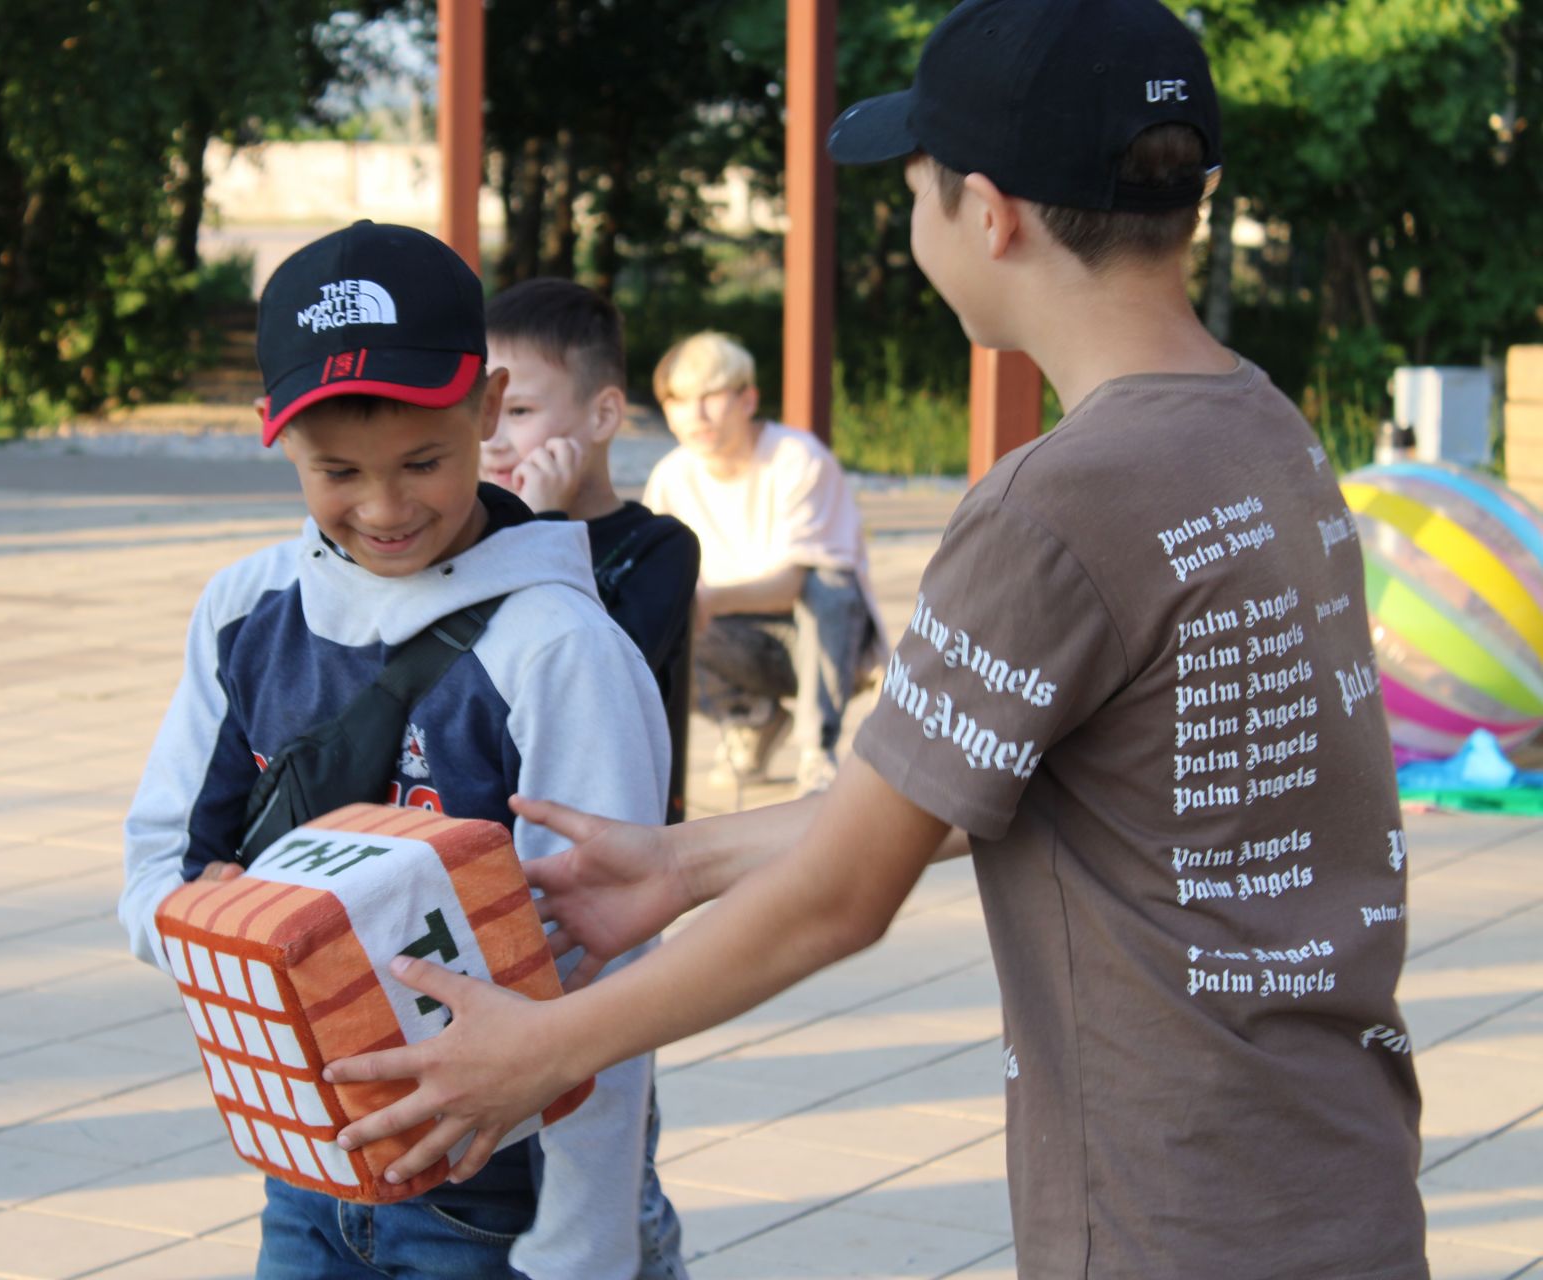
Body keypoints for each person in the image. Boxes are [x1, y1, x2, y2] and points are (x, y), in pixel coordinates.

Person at [321, 5, 1431, 1277]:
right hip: (1332, 1169)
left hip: (1169, 1203)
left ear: (991, 214)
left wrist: (541, 1048)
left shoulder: (1053, 505)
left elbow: (846, 894)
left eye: (913, 188)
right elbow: (961, 787)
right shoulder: (1262, 429)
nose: (910, 223)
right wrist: (680, 865)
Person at [117, 221, 685, 1280]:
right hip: (310, 1168)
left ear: (485, 406)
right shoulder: (247, 610)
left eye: (424, 460)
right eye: (337, 470)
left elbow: (613, 968)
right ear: (270, 433)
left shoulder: (560, 650)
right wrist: (228, 925)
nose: (384, 507)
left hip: (497, 1201)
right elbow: (155, 870)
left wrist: (583, 1241)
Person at [483, 277, 701, 823]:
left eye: (519, 412)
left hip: (610, 839)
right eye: (481, 411)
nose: (492, 439)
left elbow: (597, 680)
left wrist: (541, 527)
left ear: (602, 416)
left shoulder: (660, 547)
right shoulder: (466, 532)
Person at [643, 331, 886, 795]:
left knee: (829, 582)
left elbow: (795, 582)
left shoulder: (797, 458)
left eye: (711, 396)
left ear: (748, 399)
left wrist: (707, 599)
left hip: (824, 642)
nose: (696, 414)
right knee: (653, 614)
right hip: (733, 636)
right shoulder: (670, 478)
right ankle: (753, 719)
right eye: (680, 400)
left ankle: (818, 749)